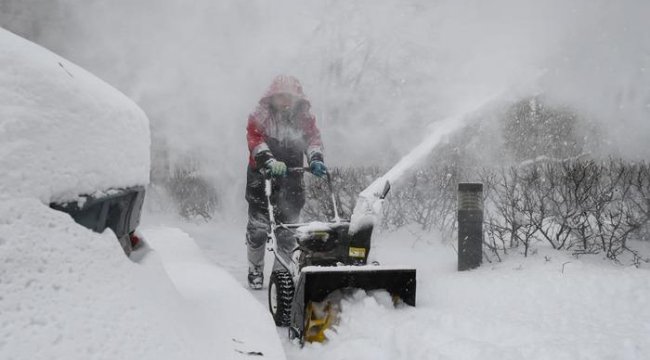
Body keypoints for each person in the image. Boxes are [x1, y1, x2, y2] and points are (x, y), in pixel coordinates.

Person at [245, 75, 327, 289]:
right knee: (259, 228)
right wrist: (269, 160)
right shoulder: (260, 115)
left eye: (289, 96)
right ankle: (255, 268)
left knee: (288, 229)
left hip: (292, 176)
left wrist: (316, 158)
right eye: (280, 95)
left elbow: (313, 139)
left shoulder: (304, 118)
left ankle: (280, 277)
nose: (285, 100)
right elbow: (254, 139)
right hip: (261, 175)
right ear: (272, 97)